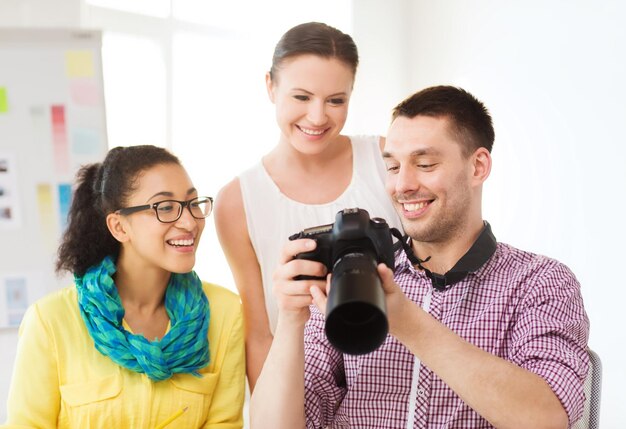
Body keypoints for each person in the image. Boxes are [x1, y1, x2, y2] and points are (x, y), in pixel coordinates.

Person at [250, 86, 590, 428]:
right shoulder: (352, 278)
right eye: (394, 167)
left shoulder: (541, 282)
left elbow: (548, 418)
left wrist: (409, 324)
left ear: (478, 166)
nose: (403, 185)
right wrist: (291, 321)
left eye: (425, 164)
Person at [214, 22, 401, 391]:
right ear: (270, 86)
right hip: (303, 388)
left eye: (336, 100)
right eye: (301, 97)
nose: (318, 117)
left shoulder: (387, 159)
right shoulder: (237, 201)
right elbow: (259, 333)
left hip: (397, 378)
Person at [3, 145, 245, 429]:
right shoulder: (50, 321)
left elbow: (224, 424)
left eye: (193, 203)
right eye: (165, 207)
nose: (189, 221)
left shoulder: (224, 313)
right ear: (119, 227)